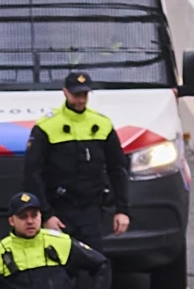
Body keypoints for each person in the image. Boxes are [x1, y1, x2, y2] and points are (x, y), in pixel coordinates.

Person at [25, 69, 133, 242]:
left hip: (91, 210)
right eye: (76, 95)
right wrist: (46, 215)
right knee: (59, 265)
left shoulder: (101, 125)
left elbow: (118, 169)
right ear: (65, 92)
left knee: (94, 263)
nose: (81, 100)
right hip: (59, 210)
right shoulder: (47, 126)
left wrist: (122, 210)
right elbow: (32, 173)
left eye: (84, 94)